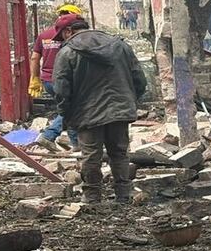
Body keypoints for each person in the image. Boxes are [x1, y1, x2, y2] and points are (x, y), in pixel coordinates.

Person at [51, 15, 146, 204]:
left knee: (91, 156)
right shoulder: (120, 46)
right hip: (120, 110)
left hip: (87, 114)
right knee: (119, 153)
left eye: (62, 36)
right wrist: (130, 100)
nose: (62, 41)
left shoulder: (67, 52)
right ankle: (123, 195)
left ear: (68, 31)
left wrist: (66, 113)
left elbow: (61, 89)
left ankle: (93, 197)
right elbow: (140, 80)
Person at [30, 4, 83, 153]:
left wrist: (34, 78)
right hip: (64, 80)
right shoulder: (70, 35)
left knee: (69, 109)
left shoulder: (44, 35)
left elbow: (34, 57)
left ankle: (76, 143)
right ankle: (49, 135)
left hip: (48, 80)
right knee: (70, 109)